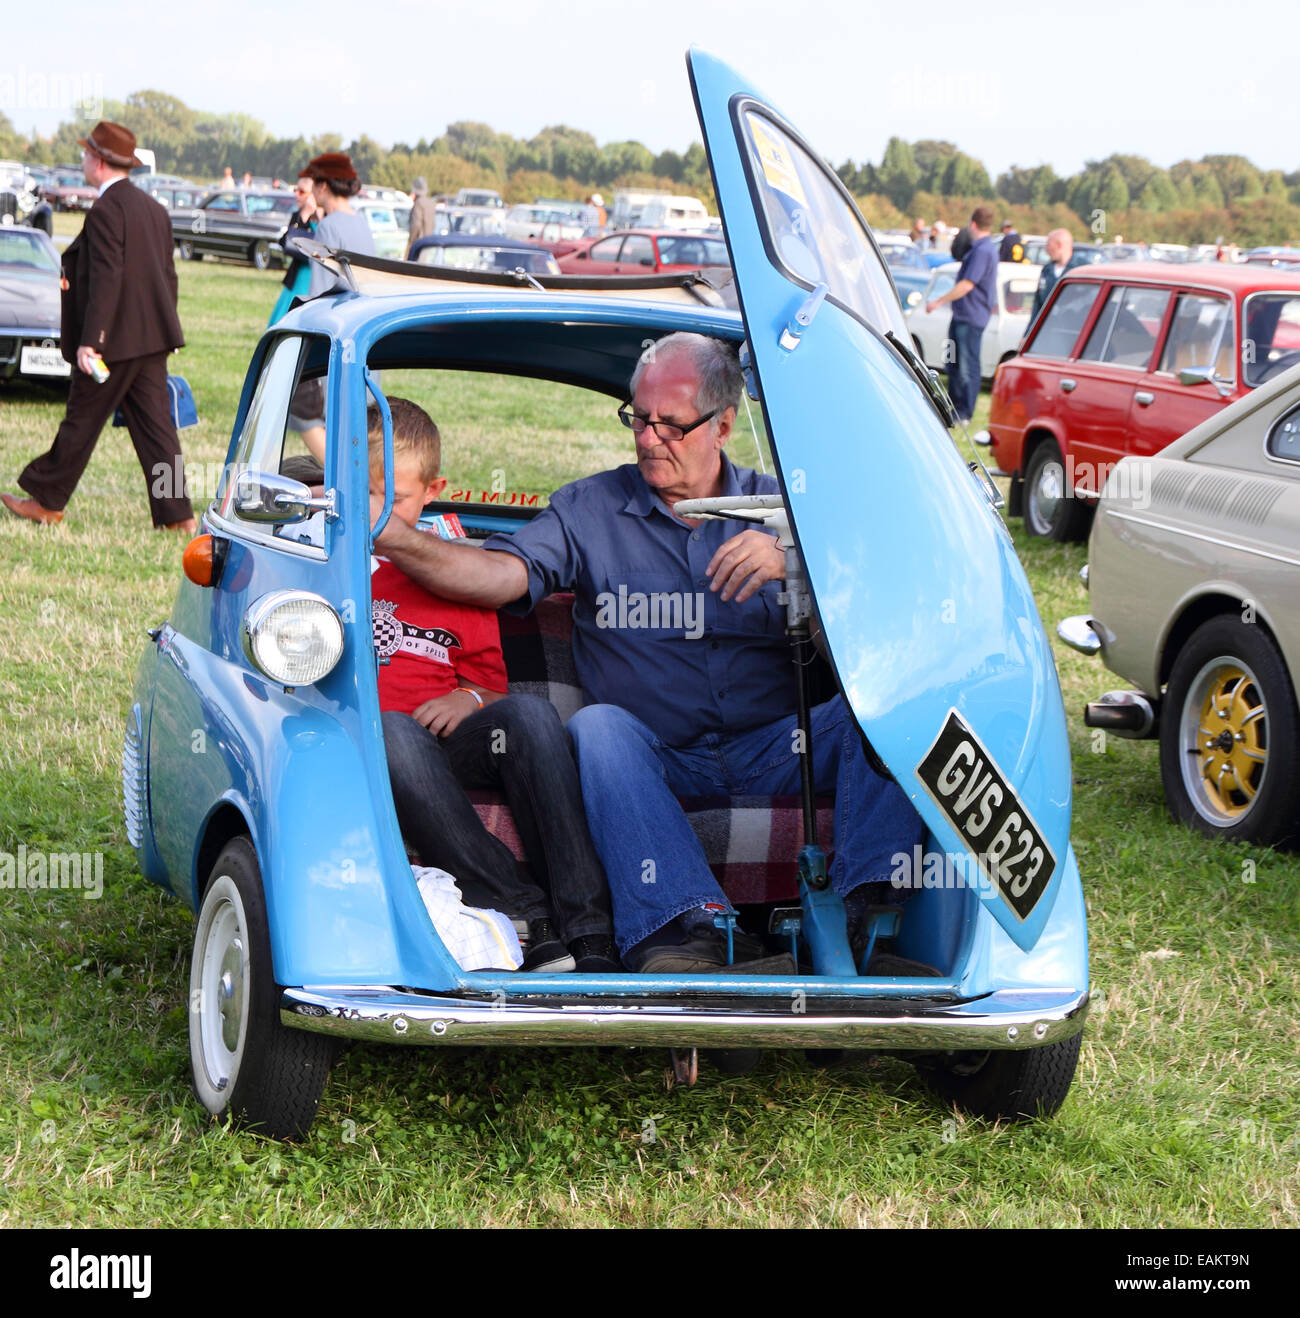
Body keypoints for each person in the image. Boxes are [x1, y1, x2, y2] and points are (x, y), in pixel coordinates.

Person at [367, 333, 925, 973]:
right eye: (639, 419)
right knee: (598, 727)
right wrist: (394, 535)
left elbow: (882, 616)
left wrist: (796, 562)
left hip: (780, 748)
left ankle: (863, 922)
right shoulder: (589, 508)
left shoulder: (786, 512)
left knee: (893, 706)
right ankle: (688, 935)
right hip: (654, 758)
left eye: (671, 425)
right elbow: (498, 577)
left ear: (723, 425)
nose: (649, 438)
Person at [369, 398, 617, 972]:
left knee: (528, 716)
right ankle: (522, 910)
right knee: (393, 732)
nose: (376, 516)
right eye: (364, 496)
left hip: (442, 750)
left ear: (433, 491)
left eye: (394, 500)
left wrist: (469, 698)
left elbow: (491, 688)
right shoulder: (324, 565)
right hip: (368, 746)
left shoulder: (454, 573)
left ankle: (589, 931)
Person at [3, 120, 194, 530]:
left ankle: (47, 502)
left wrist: (93, 341)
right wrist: (168, 331)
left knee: (82, 421)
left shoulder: (108, 209)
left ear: (100, 161)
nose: (83, 160)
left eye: (86, 154)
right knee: (157, 432)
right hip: (150, 340)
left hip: (115, 343)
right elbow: (167, 277)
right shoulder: (154, 209)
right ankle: (178, 517)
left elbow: (108, 278)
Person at [925, 205, 997, 424]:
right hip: (964, 315)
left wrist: (939, 301)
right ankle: (954, 408)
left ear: (973, 224)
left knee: (967, 365)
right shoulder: (980, 249)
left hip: (970, 317)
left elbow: (967, 285)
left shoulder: (982, 251)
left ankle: (964, 411)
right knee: (954, 362)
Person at [268, 171, 319, 326]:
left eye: (302, 191)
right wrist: (304, 216)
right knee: (284, 320)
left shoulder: (327, 219)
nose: (297, 194)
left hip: (316, 279)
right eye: (296, 190)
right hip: (298, 278)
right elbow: (286, 243)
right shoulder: (298, 215)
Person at [1028, 228, 1086, 325]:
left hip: (1072, 327)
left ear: (1059, 245)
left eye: (1049, 245)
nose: (1046, 250)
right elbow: (1038, 304)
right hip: (1048, 327)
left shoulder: (1082, 269)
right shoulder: (1047, 270)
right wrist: (1030, 330)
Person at [406, 176, 439, 255]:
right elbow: (433, 224)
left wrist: (411, 241)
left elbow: (416, 224)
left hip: (419, 243)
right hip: (428, 242)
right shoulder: (431, 203)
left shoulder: (418, 203)